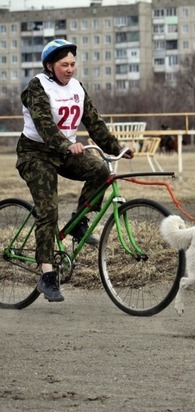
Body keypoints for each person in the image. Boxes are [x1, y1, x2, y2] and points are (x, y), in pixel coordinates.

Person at [16, 39, 133, 302]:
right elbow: (45, 125)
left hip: (66, 151)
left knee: (101, 170)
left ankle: (80, 221)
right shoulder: (37, 86)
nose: (69, 69)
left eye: (72, 64)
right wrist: (65, 144)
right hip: (36, 153)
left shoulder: (77, 88)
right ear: (50, 66)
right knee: (48, 210)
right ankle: (47, 274)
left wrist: (115, 147)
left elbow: (93, 121)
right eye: (63, 64)